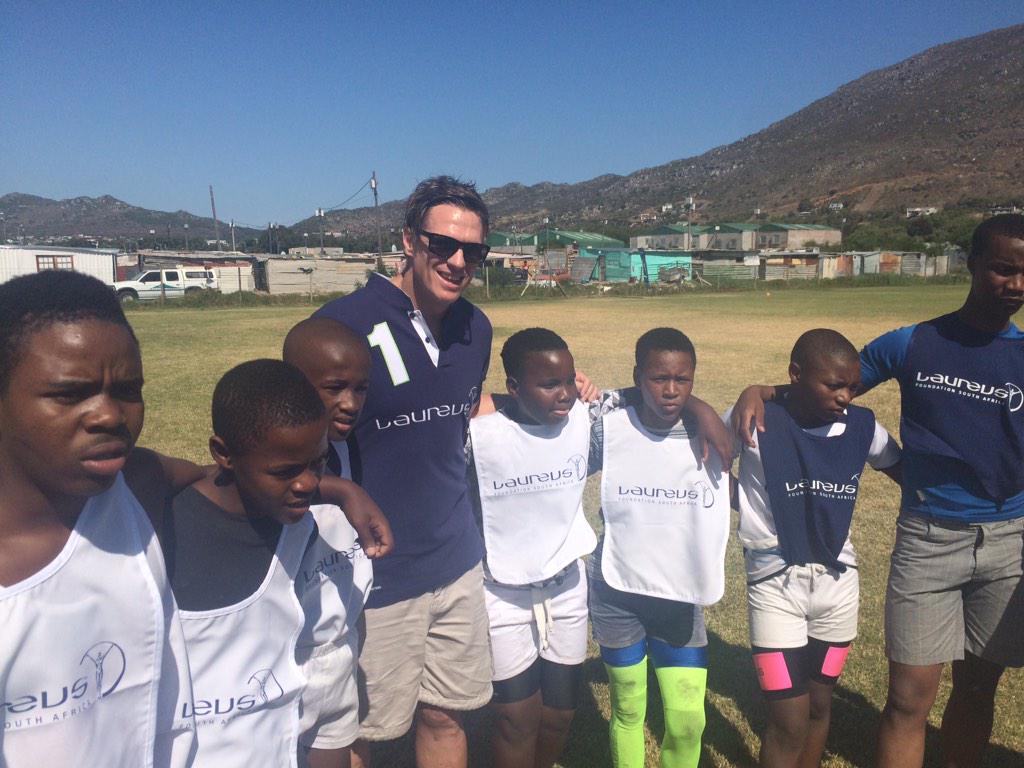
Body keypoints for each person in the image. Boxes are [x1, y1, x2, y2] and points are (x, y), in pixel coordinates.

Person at [731, 214, 1024, 768]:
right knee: (909, 698)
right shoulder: (913, 344)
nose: (1017, 285)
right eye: (1004, 270)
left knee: (979, 688)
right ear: (973, 264)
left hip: (1009, 539)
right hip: (929, 538)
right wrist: (760, 389)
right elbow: (827, 387)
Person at [314, 176, 494, 768]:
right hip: (376, 576)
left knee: (446, 714)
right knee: (363, 735)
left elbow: (459, 415)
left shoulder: (477, 328)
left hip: (458, 561)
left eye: (474, 250)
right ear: (409, 242)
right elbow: (290, 443)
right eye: (442, 244)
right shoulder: (342, 325)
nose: (458, 261)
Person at [0, 270, 198, 767]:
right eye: (69, 394)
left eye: (128, 389)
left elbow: (224, 478)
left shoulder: (139, 484)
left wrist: (337, 488)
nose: (109, 415)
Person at [726, 329, 900, 768]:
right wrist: (741, 499)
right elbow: (705, 464)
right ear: (796, 375)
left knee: (821, 707)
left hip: (838, 591)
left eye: (852, 386)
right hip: (774, 589)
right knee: (788, 720)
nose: (845, 396)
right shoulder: (755, 418)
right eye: (833, 385)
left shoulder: (863, 427)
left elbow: (905, 471)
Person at [161, 359, 341, 767]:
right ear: (223, 454)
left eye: (318, 463)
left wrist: (344, 490)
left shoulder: (299, 528)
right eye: (285, 471)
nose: (308, 484)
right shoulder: (163, 527)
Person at [589, 328, 730, 768]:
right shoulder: (606, 431)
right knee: (629, 707)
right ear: (637, 377)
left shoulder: (706, 434)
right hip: (616, 590)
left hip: (678, 594)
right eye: (657, 379)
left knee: (688, 720)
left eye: (683, 381)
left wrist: (702, 409)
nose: (671, 391)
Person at [468, 328, 597, 768]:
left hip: (566, 588)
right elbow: (434, 412)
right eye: (548, 384)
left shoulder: (584, 416)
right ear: (513, 387)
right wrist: (491, 405)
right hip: (502, 594)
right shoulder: (478, 433)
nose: (564, 395)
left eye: (568, 380)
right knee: (516, 720)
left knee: (558, 716)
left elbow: (653, 393)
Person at [284, 318, 376, 768]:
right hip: (281, 662)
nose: (351, 403)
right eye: (336, 387)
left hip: (337, 651)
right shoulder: (263, 461)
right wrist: (341, 490)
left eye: (361, 389)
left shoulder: (343, 449)